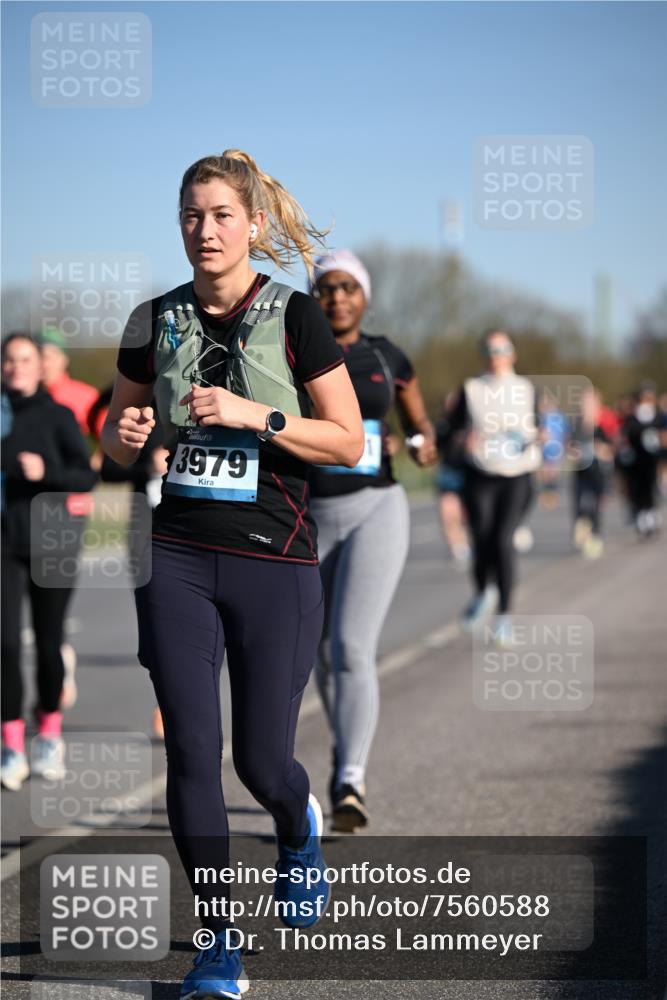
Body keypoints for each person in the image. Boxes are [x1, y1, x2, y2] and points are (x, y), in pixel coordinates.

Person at [101, 151, 364, 999]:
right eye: (190, 215)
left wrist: (261, 414)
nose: (203, 231)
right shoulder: (152, 319)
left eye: (219, 215)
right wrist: (128, 435)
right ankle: (218, 942)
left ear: (251, 223)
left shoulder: (296, 317)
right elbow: (114, 428)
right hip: (174, 554)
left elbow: (348, 440)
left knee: (261, 764)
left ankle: (297, 830)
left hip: (275, 558)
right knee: (190, 749)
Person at [308, 250, 436, 832]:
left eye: (347, 288)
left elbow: (419, 425)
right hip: (307, 515)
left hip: (375, 509)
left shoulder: (388, 356)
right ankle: (344, 746)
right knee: (320, 655)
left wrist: (420, 445)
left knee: (351, 647)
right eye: (327, 289)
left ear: (364, 296)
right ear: (315, 297)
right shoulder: (292, 353)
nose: (337, 298)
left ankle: (350, 780)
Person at [1, 334, 97, 791]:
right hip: (5, 543)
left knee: (47, 643)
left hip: (53, 542)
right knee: (3, 646)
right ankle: (12, 743)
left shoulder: (58, 416)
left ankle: (49, 734)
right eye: (9, 360)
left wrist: (47, 473)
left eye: (25, 360)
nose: (16, 367)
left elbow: (85, 475)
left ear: (41, 367)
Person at [448, 329, 541, 646]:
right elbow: (452, 430)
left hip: (518, 474)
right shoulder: (471, 389)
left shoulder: (527, 388)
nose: (496, 354)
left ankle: (504, 617)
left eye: (503, 349)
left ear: (513, 354)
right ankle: (483, 593)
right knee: (482, 540)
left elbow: (542, 426)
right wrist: (463, 440)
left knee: (502, 540)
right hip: (481, 474)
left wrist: (541, 438)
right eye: (490, 349)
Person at [39, 327, 100, 709]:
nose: (44, 364)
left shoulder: (81, 397)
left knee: (52, 589)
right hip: (20, 509)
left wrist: (91, 468)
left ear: (63, 360)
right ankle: (55, 654)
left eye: (49, 356)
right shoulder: (18, 399)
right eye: (37, 355)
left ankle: (55, 656)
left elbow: (109, 438)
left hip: (68, 508)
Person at [570, 387, 614, 559]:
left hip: (599, 472)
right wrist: (573, 452)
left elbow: (611, 449)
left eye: (589, 403)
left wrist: (601, 450)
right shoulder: (576, 426)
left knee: (596, 506)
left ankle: (595, 535)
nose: (585, 406)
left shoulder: (603, 425)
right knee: (580, 504)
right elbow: (569, 447)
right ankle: (582, 527)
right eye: (583, 403)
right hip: (581, 471)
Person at [435, 391, 470, 567]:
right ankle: (458, 547)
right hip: (448, 474)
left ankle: (471, 542)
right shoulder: (442, 427)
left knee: (468, 516)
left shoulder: (469, 425)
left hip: (470, 474)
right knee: (448, 513)